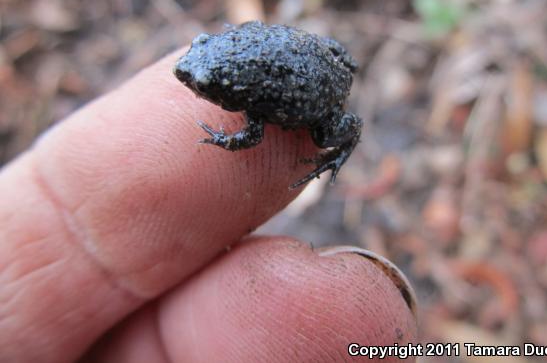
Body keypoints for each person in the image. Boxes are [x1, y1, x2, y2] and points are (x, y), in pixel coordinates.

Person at [0, 50, 417, 362]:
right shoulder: (242, 65)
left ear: (230, 94)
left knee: (327, 135)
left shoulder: (252, 102)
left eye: (200, 84)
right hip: (324, 56)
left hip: (320, 93)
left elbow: (252, 138)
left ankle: (333, 153)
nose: (186, 77)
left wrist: (221, 140)